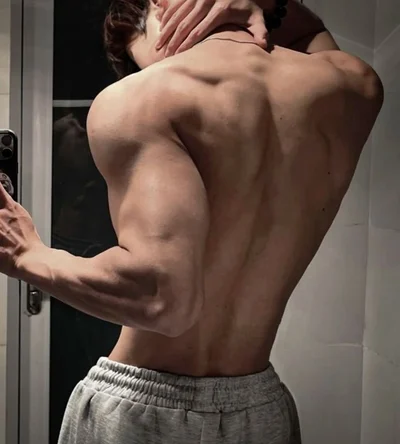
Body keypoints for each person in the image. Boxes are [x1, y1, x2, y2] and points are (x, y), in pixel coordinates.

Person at [0, 0, 383, 443]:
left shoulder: (139, 99)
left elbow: (162, 300)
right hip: (261, 411)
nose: (159, 71)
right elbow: (306, 31)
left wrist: (28, 255)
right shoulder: (353, 86)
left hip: (142, 413)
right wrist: (265, 5)